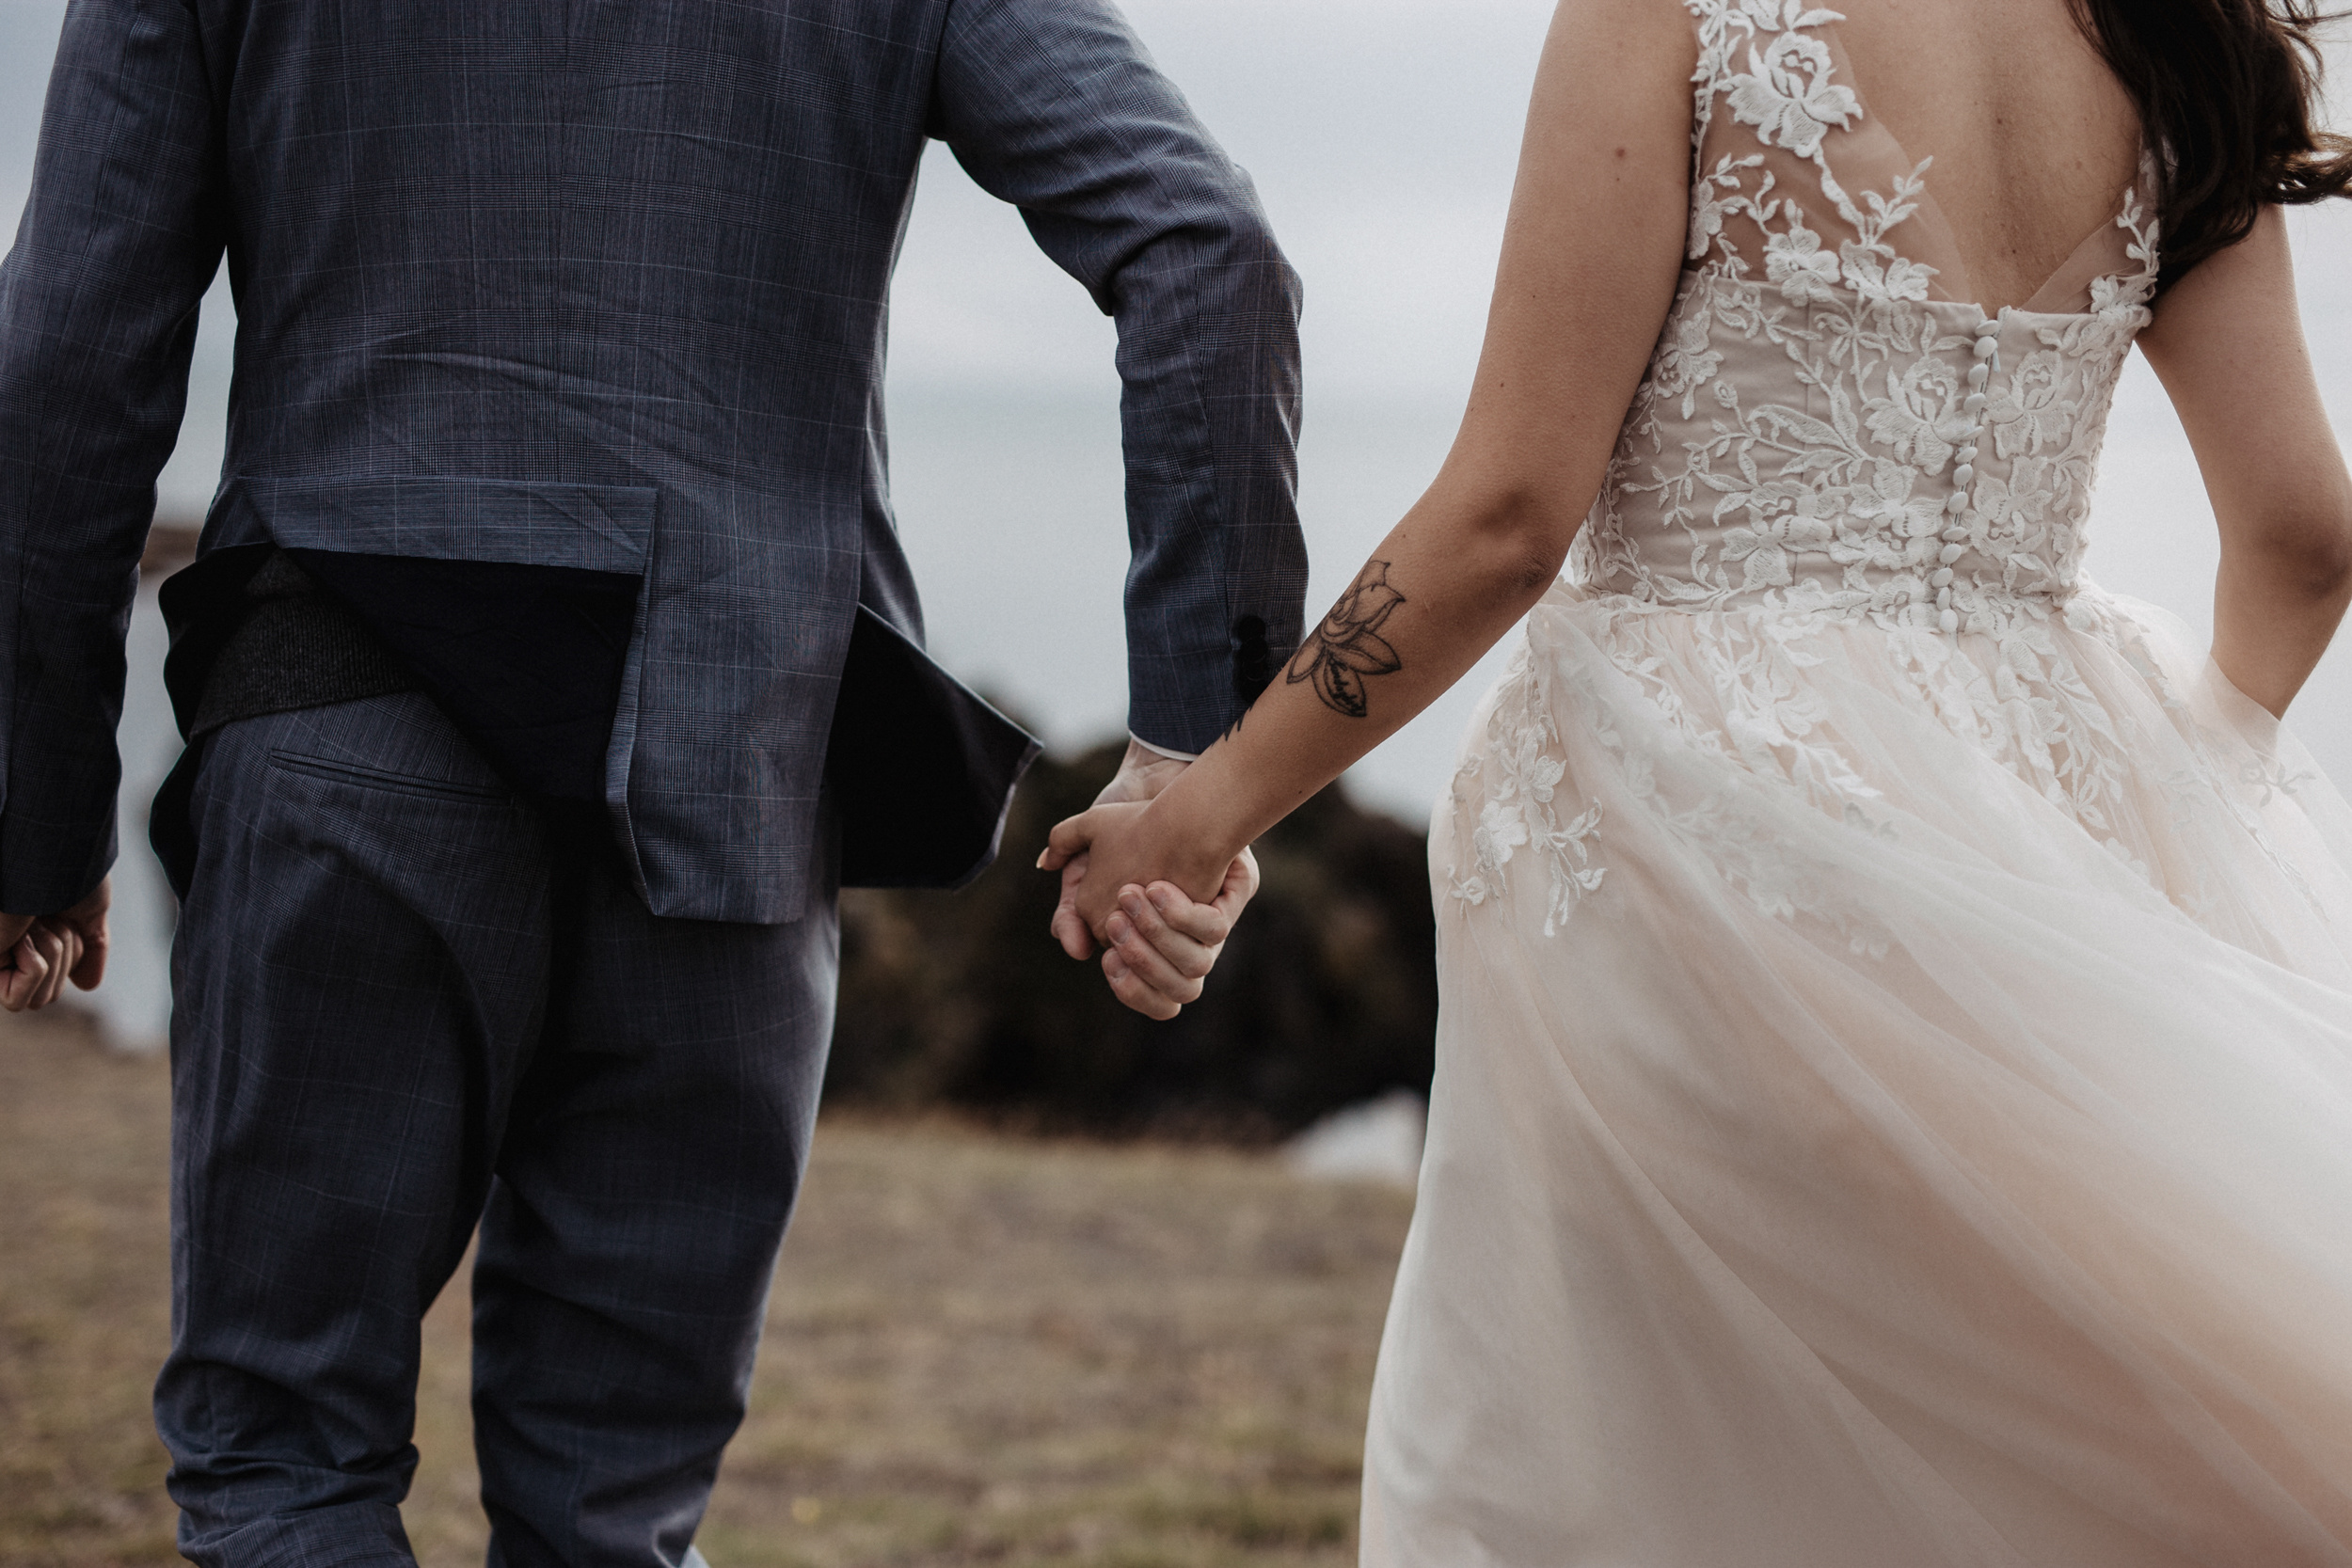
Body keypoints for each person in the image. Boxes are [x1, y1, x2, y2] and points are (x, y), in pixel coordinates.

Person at [0, 0, 1302, 1561]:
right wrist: (1193, 754)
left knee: (286, 1464)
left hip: (346, 746)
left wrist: (40, 802)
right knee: (613, 1518)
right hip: (731, 758)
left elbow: (65, 355)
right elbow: (1208, 246)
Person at [1048, 0, 2352, 1557]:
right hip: (2052, 802)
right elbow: (2304, 540)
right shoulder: (2181, 32)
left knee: (1644, 1465)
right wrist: (2177, 807)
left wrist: (1198, 822)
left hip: (1699, 822)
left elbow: (1513, 518)